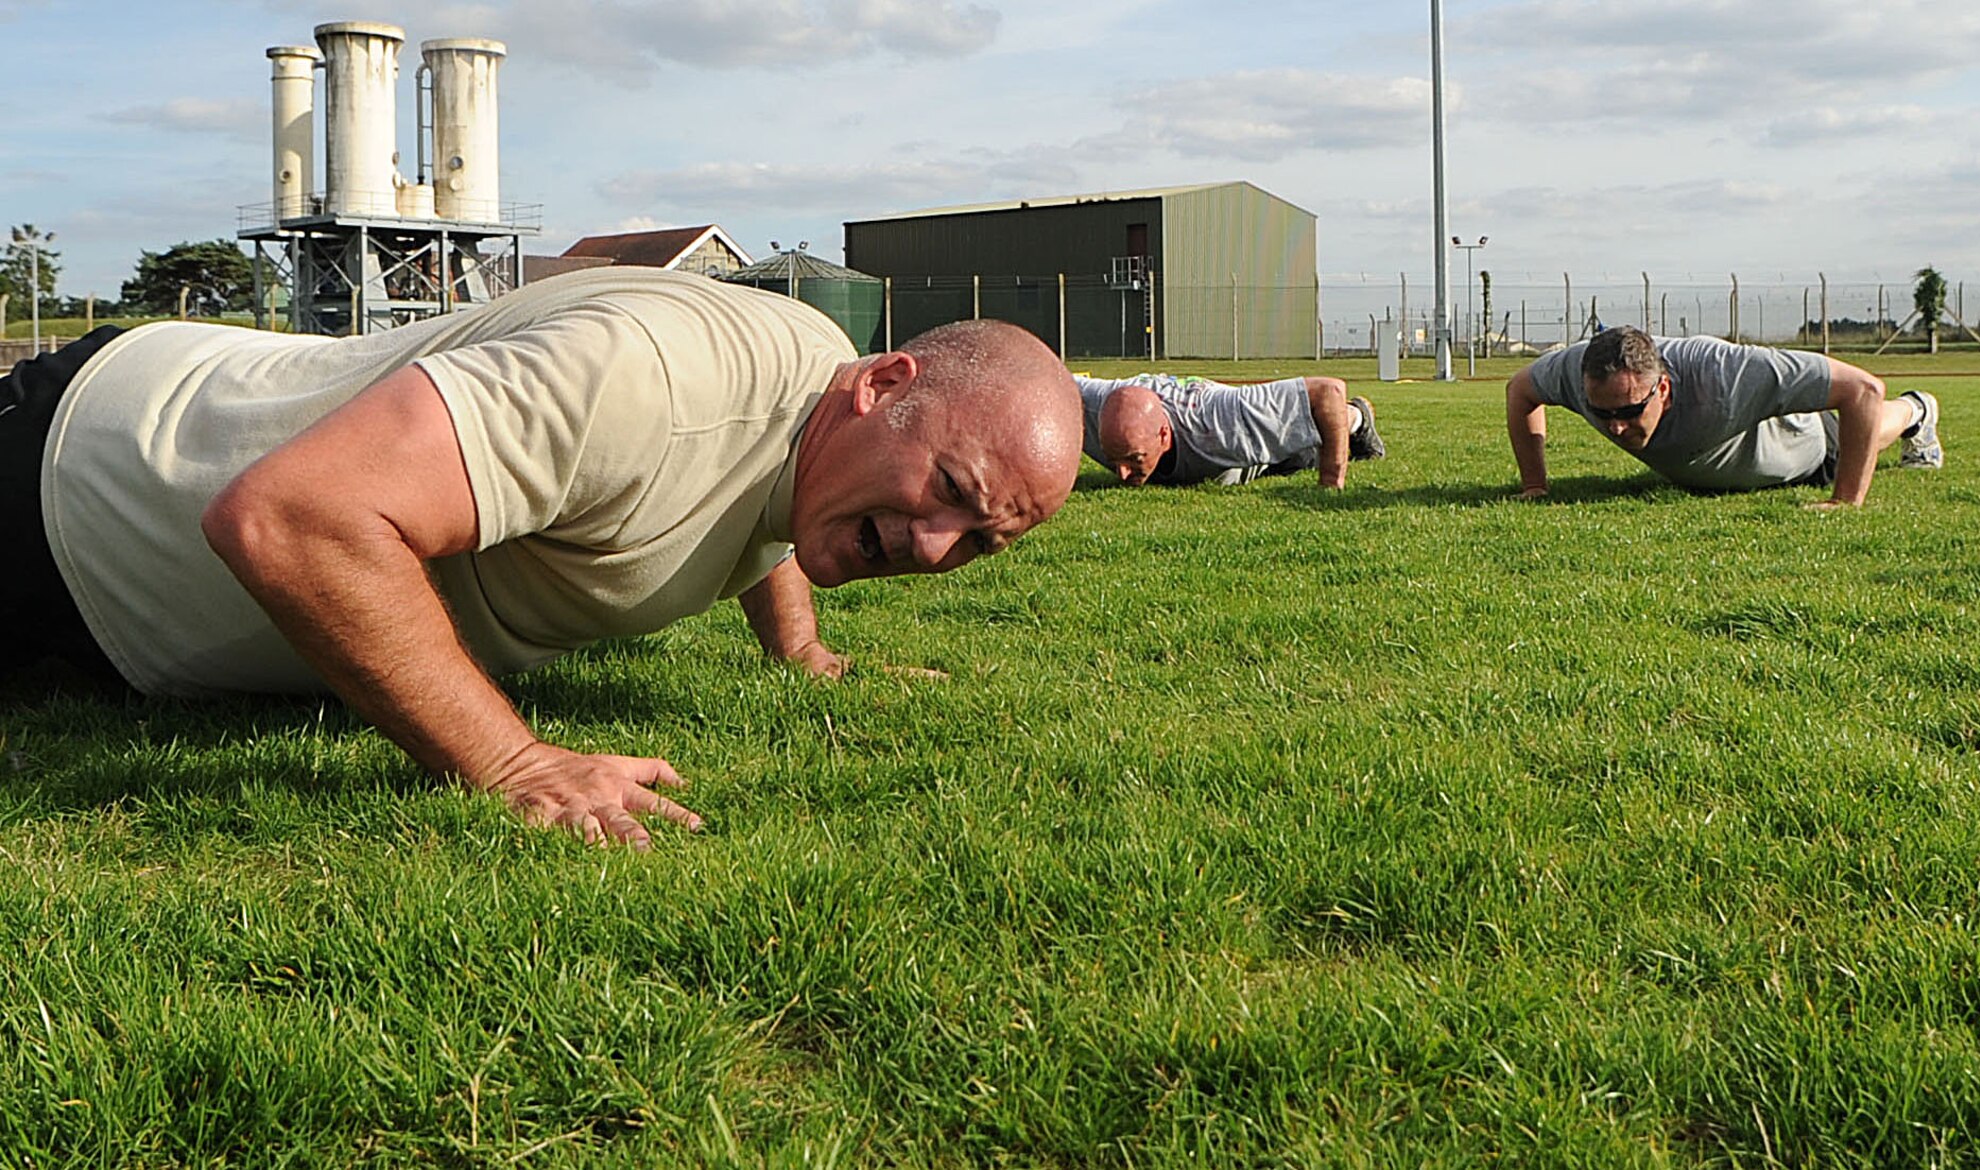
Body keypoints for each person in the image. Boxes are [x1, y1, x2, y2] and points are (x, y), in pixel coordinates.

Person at [4, 268, 1082, 846]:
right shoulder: (644, 384)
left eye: (980, 543)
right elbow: (294, 516)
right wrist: (514, 765)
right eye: (949, 495)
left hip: (130, 536)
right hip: (80, 486)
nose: (936, 548)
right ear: (884, 386)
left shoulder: (821, 395)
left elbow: (765, 505)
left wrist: (798, 651)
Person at [1505, 326, 1941, 508]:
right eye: (1602, 414)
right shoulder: (1576, 369)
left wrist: (1844, 503)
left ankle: (1918, 410)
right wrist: (1535, 485)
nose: (1615, 427)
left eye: (1629, 412)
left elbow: (1862, 389)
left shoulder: (1726, 370)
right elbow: (1519, 391)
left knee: (1864, 430)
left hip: (1808, 446)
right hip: (1732, 459)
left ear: (1663, 389)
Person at [1073, 372, 1385, 487]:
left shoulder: (1224, 421)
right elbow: (1040, 372)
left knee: (1300, 448)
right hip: (1212, 450)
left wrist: (1331, 482)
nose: (1122, 474)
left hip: (1237, 446)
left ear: (1164, 437)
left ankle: (1358, 418)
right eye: (1115, 459)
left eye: (1133, 458)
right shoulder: (1090, 402)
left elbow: (1327, 391)